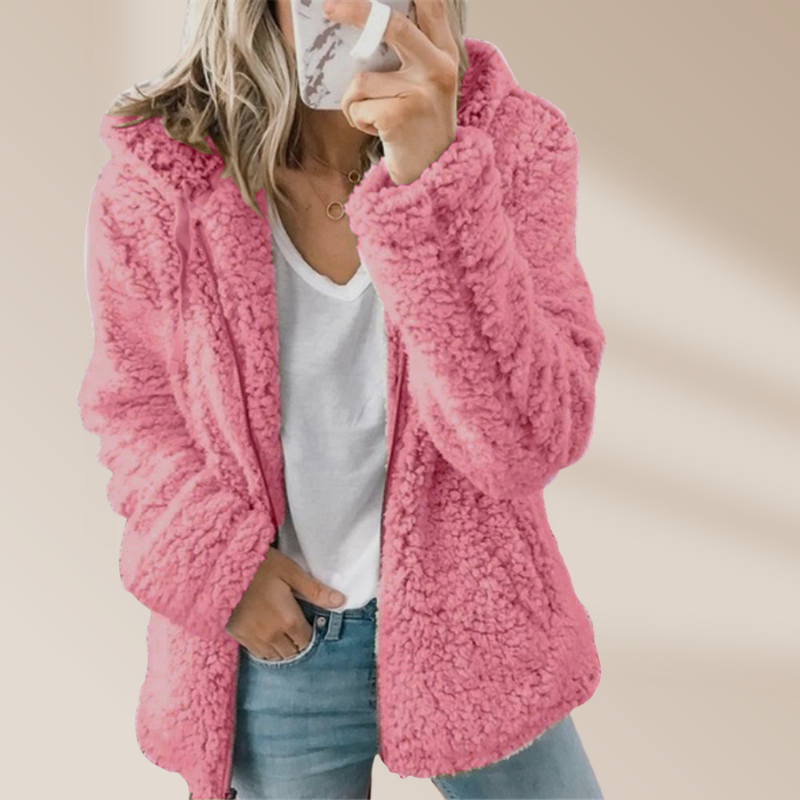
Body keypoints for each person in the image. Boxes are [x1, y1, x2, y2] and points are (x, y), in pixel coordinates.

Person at [77, 1, 606, 798]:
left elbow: (526, 444)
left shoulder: (512, 143)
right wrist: (220, 566)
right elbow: (134, 407)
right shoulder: (164, 173)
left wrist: (434, 182)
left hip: (479, 622)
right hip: (282, 645)